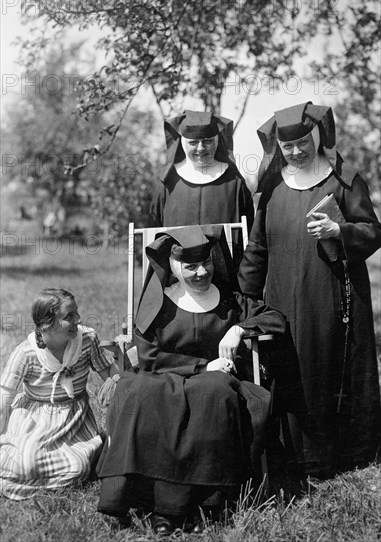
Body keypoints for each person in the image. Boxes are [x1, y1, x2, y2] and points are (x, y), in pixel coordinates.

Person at [97, 226, 286, 535]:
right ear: (174, 267)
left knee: (215, 393)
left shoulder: (229, 300)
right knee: (136, 390)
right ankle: (154, 505)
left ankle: (198, 505)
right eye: (190, 267)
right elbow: (148, 359)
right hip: (165, 378)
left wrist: (239, 329)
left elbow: (275, 318)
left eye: (206, 264)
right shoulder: (159, 303)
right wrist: (202, 365)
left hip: (215, 383)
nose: (201, 272)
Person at [238, 101, 381, 478]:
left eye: (303, 142)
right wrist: (247, 299)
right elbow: (257, 246)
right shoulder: (270, 185)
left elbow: (373, 230)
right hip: (283, 298)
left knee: (327, 367)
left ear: (316, 136)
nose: (296, 151)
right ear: (278, 148)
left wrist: (340, 231)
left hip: (332, 297)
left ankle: (339, 456)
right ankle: (293, 456)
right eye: (288, 146)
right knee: (291, 371)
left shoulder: (344, 179)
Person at [0, 288, 117, 500]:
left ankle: (37, 482)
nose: (77, 319)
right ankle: (22, 476)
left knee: (78, 466)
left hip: (74, 418)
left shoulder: (87, 339)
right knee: (26, 462)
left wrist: (122, 380)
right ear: (47, 323)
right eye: (68, 316)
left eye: (77, 313)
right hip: (34, 418)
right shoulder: (26, 352)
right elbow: (4, 394)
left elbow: (109, 374)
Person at [149, 110, 254, 232]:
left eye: (207, 141)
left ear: (217, 141)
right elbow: (152, 232)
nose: (201, 148)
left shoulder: (234, 183)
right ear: (183, 143)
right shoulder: (168, 184)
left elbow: (250, 233)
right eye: (193, 143)